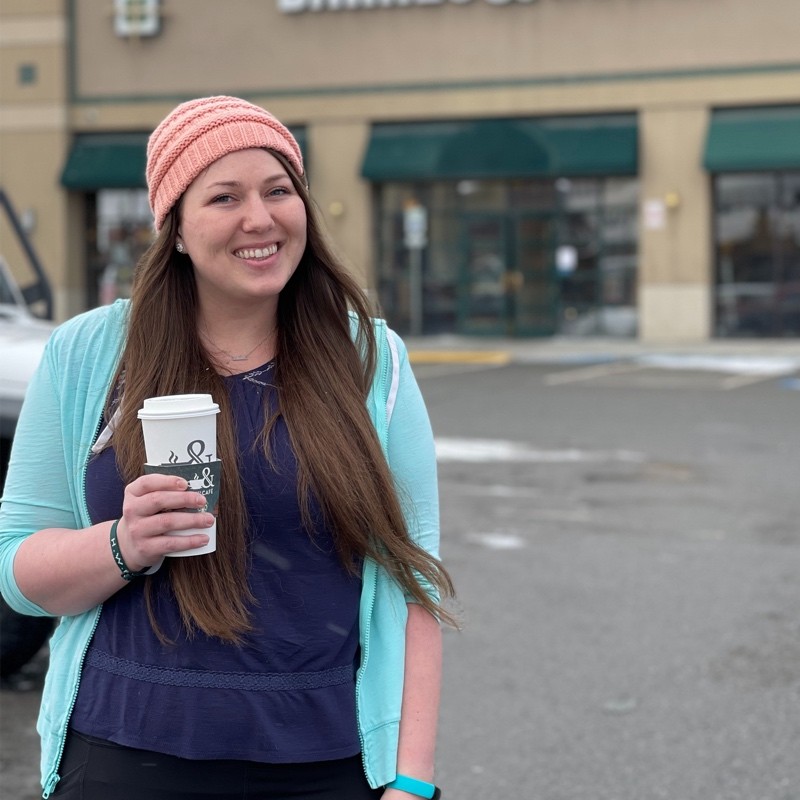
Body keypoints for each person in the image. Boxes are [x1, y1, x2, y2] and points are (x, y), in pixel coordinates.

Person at [0, 96, 455, 800]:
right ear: (175, 228)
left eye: (279, 191)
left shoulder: (371, 360)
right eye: (224, 197)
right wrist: (123, 543)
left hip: (325, 762)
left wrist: (413, 782)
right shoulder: (90, 354)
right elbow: (17, 570)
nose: (260, 218)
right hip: (124, 753)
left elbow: (413, 580)